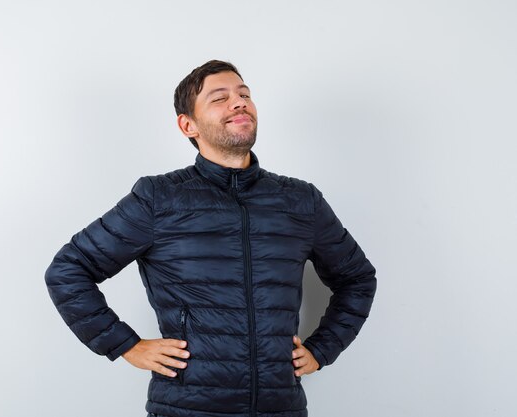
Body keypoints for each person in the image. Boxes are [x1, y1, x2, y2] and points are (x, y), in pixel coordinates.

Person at [44, 59, 377, 417]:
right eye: (220, 98)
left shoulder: (299, 200)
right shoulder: (159, 198)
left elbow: (357, 278)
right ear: (188, 125)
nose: (239, 102)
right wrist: (126, 345)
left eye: (244, 94)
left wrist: (322, 350)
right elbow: (68, 270)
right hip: (187, 409)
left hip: (281, 408)